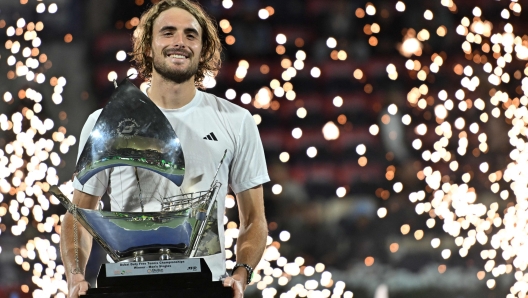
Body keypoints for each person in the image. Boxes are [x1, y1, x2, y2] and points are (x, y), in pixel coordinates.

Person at [59, 1, 270, 297]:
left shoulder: (236, 121)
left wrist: (241, 273)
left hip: (205, 287)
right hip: (128, 287)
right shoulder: (106, 122)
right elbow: (77, 217)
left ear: (204, 49)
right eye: (168, 33)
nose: (179, 42)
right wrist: (75, 275)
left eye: (191, 35)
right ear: (147, 46)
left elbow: (254, 220)